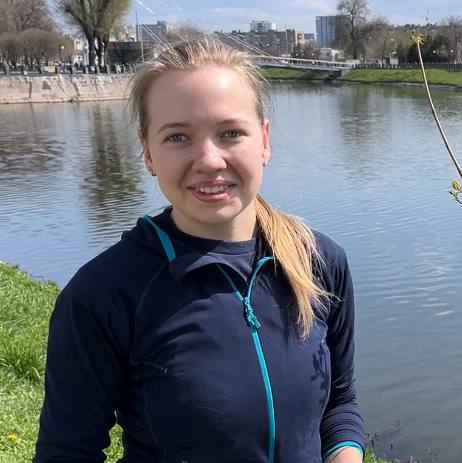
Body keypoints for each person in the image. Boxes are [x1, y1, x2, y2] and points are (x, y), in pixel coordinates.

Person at [34, 37, 365, 463]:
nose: (209, 160)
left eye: (231, 133)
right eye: (178, 137)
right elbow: (67, 453)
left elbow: (340, 400)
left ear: (264, 140)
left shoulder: (319, 262)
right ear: (148, 152)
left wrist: (345, 453)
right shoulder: (103, 294)